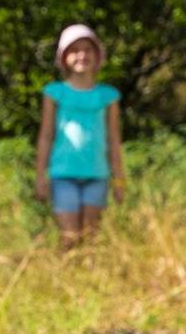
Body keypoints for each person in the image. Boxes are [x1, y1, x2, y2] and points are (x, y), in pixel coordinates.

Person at [34, 24, 125, 249]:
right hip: (63, 175)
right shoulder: (55, 92)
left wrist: (119, 180)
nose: (82, 55)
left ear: (97, 55)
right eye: (74, 50)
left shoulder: (107, 95)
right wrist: (40, 176)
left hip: (97, 175)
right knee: (69, 237)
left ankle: (90, 272)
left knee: (90, 238)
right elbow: (46, 136)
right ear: (64, 57)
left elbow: (114, 140)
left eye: (87, 50)